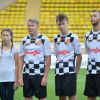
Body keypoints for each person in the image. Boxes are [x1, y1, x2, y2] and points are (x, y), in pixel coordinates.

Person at [18, 19, 51, 100]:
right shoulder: (23, 40)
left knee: (42, 98)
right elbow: (21, 59)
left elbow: (48, 58)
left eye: (32, 25)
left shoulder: (44, 39)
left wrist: (45, 77)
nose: (30, 27)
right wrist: (19, 77)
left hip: (39, 74)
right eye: (28, 25)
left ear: (38, 26)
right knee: (27, 97)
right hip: (27, 74)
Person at [54, 13, 82, 100]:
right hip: (58, 70)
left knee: (71, 95)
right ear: (56, 24)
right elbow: (56, 55)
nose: (61, 26)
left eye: (63, 23)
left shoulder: (73, 37)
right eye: (59, 24)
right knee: (61, 96)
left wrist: (76, 72)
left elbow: (79, 56)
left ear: (67, 23)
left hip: (70, 71)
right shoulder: (56, 38)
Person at [84, 10, 100, 100]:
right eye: (91, 16)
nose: (92, 18)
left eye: (94, 16)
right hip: (90, 71)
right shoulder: (87, 35)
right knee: (90, 97)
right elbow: (88, 51)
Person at [0, 28, 18, 100]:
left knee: (10, 98)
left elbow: (17, 65)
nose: (5, 37)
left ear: (11, 37)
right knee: (3, 98)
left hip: (11, 78)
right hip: (0, 78)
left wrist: (16, 80)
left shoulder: (15, 49)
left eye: (7, 35)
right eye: (3, 35)